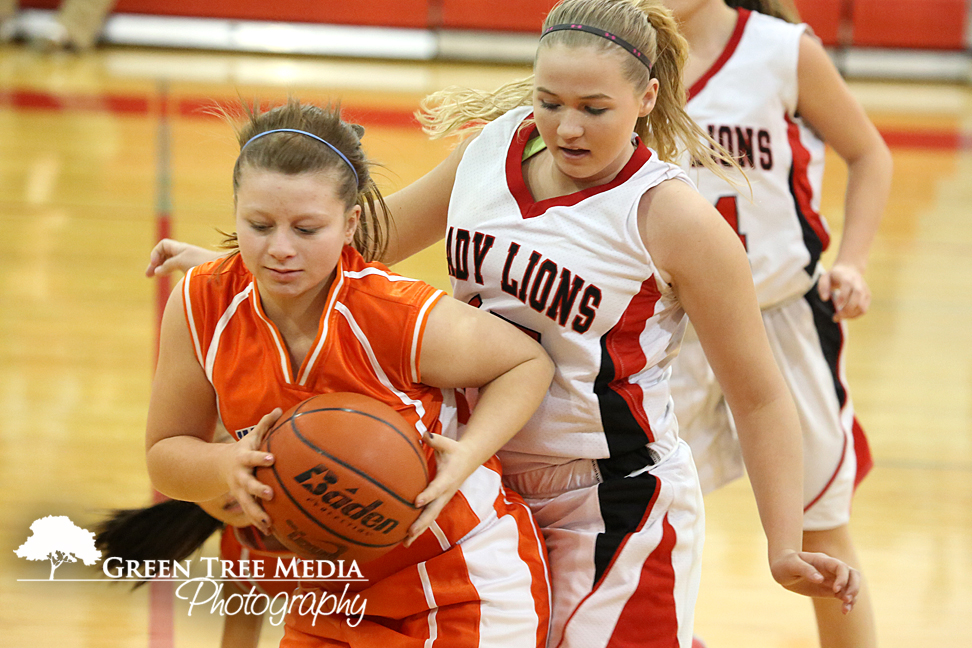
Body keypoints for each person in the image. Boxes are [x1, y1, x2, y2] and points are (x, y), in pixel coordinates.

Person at [146, 2, 861, 646]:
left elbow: (761, 396)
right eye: (549, 101)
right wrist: (242, 260)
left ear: (646, 99)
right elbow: (365, 246)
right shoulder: (493, 149)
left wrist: (782, 542)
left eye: (594, 107)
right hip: (475, 472)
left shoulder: (673, 217)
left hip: (608, 497)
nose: (568, 125)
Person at [144, 98, 554, 647]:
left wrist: (467, 454)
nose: (280, 250)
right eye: (259, 224)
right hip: (329, 593)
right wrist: (226, 464)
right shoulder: (200, 304)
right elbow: (165, 454)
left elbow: (528, 361)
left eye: (307, 229)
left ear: (350, 223)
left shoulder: (393, 314)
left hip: (461, 582)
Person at [662, 1, 892, 647]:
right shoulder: (626, 50)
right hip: (668, 328)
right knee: (654, 519)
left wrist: (853, 262)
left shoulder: (783, 50)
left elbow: (869, 154)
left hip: (781, 317)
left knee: (819, 526)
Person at [94, 490, 294, 648]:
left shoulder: (320, 533)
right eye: (213, 481)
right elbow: (239, 639)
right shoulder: (239, 557)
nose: (228, 492)